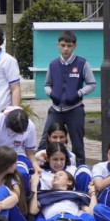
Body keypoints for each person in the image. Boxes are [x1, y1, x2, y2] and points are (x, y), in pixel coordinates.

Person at [41, 30, 95, 166]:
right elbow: (46, 84)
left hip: (74, 109)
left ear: (74, 46)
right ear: (58, 45)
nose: (66, 49)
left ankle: (80, 170)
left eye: (69, 46)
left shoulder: (82, 63)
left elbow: (92, 84)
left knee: (77, 144)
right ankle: (42, 167)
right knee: (44, 140)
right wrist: (50, 93)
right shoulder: (53, 64)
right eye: (63, 45)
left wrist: (79, 93)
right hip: (55, 109)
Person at [0, 107, 40, 176]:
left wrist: (36, 165)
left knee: (22, 173)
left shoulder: (30, 126)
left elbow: (30, 153)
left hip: (18, 155)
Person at [0, 146, 29, 221]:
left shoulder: (13, 178)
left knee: (2, 190)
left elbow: (15, 198)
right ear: (6, 165)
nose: (16, 165)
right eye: (15, 163)